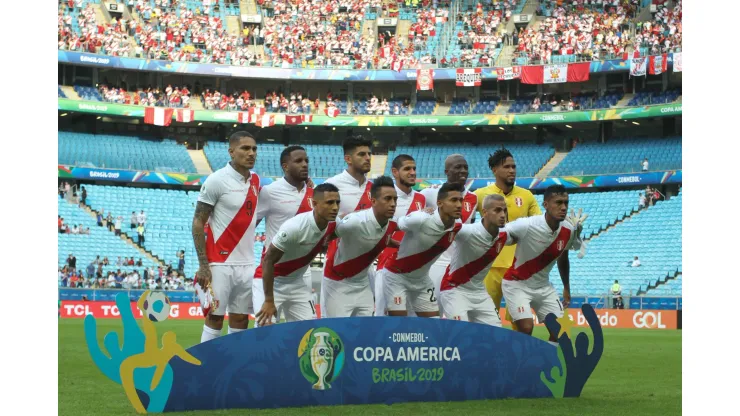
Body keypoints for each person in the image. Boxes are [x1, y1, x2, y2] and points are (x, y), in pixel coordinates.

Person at [192, 131, 260, 343]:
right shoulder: (216, 180)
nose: (251, 153)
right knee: (215, 317)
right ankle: (206, 368)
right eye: (245, 148)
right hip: (219, 263)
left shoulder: (256, 180)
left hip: (247, 263)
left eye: (254, 149)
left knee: (241, 319)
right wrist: (203, 265)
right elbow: (197, 222)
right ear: (231, 151)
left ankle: (234, 369)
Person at [474, 148, 552, 330]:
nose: (512, 170)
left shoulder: (527, 196)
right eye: (507, 166)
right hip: (488, 267)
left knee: (521, 323)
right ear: (494, 170)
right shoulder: (479, 195)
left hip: (518, 269)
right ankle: (485, 357)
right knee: (485, 321)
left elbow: (541, 225)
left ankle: (519, 357)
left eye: (514, 166)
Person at [502, 185, 588, 347]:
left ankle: (546, 363)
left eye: (566, 203)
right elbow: (500, 236)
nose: (563, 207)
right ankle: (515, 363)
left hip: (543, 287)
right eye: (558, 203)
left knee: (562, 331)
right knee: (526, 328)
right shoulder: (527, 225)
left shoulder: (568, 229)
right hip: (517, 284)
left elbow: (563, 257)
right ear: (546, 205)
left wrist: (566, 288)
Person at [255, 183, 340, 326]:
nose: (335, 207)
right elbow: (268, 260)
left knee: (307, 333)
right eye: (329, 202)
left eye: (338, 202)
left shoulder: (334, 225)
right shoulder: (295, 227)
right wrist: (269, 300)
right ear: (314, 203)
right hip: (272, 282)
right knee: (264, 331)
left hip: (297, 283)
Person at [382, 182, 465, 318]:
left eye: (461, 200)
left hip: (422, 280)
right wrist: (387, 242)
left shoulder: (458, 225)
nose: (459, 205)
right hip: (396, 276)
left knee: (432, 326)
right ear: (439, 203)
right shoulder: (420, 219)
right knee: (399, 325)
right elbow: (392, 224)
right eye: (453, 200)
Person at [253, 145, 315, 325]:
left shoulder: (315, 194)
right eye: (298, 161)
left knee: (306, 333)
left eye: (306, 161)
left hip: (301, 274)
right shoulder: (270, 192)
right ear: (285, 166)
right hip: (274, 273)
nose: (304, 164)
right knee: (264, 332)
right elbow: (250, 226)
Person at [323, 176, 398, 318]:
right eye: (387, 199)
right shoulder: (354, 222)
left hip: (363, 285)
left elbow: (380, 237)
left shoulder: (391, 225)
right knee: (337, 334)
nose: (393, 204)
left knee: (364, 333)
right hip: (337, 283)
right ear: (373, 201)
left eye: (395, 199)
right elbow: (325, 237)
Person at [439, 194, 509, 326]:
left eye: (504, 210)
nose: (502, 215)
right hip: (454, 290)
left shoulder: (505, 235)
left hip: (479, 292)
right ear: (484, 212)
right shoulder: (468, 232)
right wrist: (430, 213)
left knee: (497, 334)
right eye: (497, 210)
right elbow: (443, 225)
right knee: (461, 334)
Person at [420, 154, 478, 311]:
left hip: (459, 264)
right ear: (447, 171)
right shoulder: (430, 193)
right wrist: (425, 213)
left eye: (465, 167)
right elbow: (414, 217)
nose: (463, 171)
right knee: (433, 310)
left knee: (459, 313)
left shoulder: (474, 198)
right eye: (458, 167)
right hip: (436, 262)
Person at [322, 136, 374, 310]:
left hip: (366, 272)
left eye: (369, 154)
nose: (367, 158)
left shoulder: (375, 189)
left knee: (365, 334)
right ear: (348, 159)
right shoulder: (331, 185)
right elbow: (321, 224)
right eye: (362, 154)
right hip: (338, 270)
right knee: (336, 333)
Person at [374, 155, 427, 316]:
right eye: (407, 169)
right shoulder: (383, 198)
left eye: (414, 169)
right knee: (383, 319)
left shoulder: (421, 198)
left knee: (410, 322)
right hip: (386, 266)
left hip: (413, 271)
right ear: (395, 172)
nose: (412, 173)